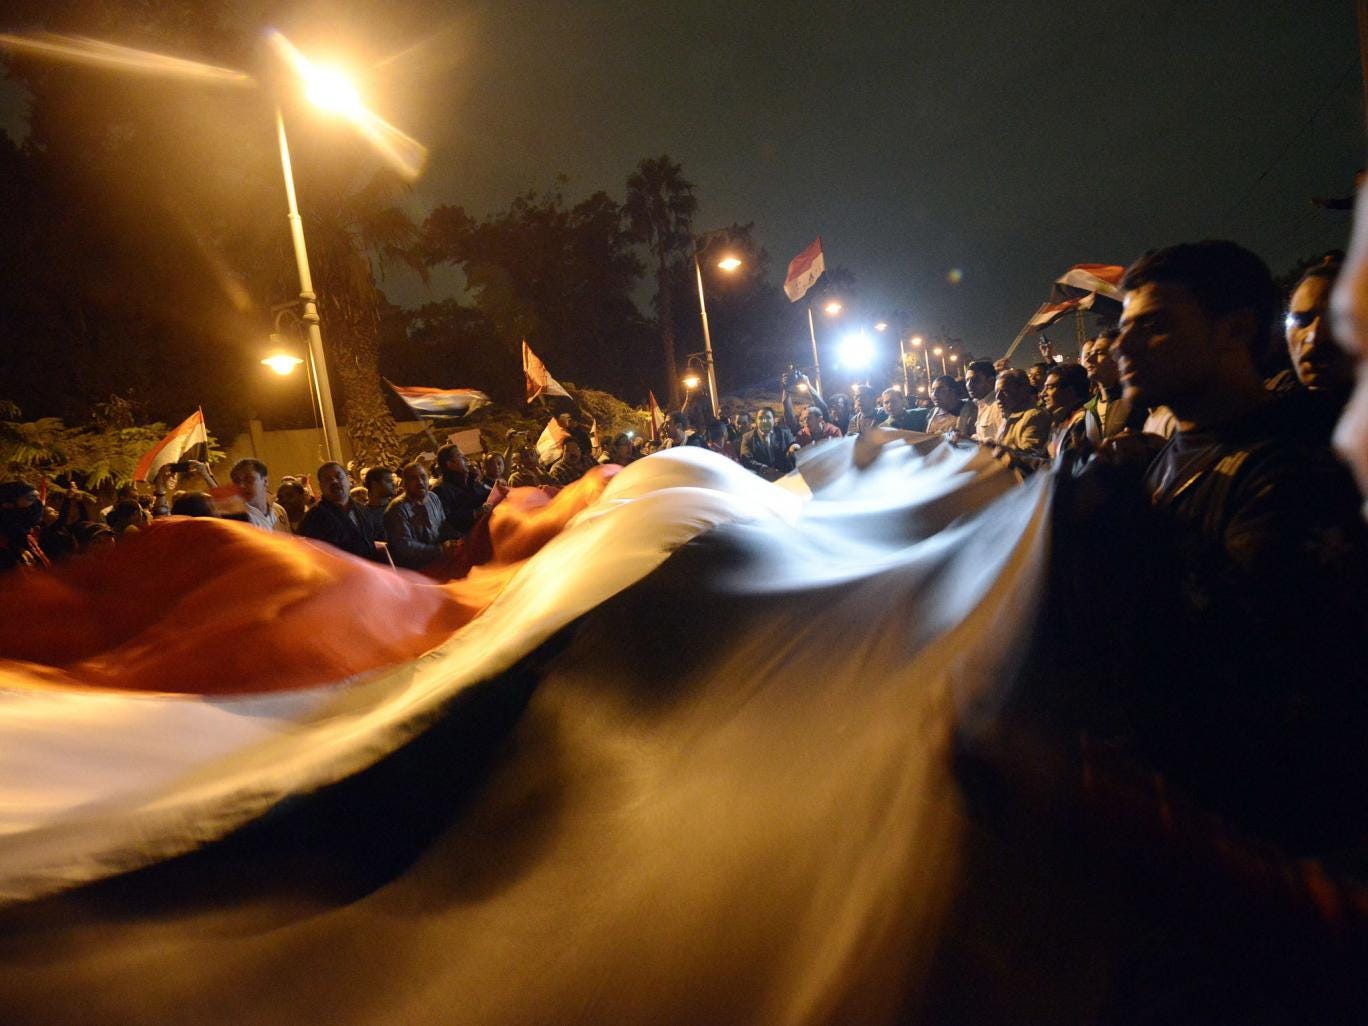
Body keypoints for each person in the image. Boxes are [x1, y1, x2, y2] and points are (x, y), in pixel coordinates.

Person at [1107, 239, 1368, 851]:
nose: (1123, 346)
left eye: (1156, 327)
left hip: (1273, 838)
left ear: (1234, 329)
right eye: (1124, 329)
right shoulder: (1167, 455)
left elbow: (1233, 655)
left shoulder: (1298, 469)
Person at [298, 462, 381, 562]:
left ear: (348, 480)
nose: (334, 481)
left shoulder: (363, 510)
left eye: (339, 476)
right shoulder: (313, 518)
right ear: (321, 485)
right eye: (328, 479)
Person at [384, 461, 453, 570]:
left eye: (423, 477)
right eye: (413, 478)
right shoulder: (397, 509)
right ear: (404, 483)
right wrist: (439, 549)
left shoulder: (433, 498)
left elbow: (443, 526)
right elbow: (405, 547)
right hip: (416, 571)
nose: (420, 482)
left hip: (440, 562)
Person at [432, 444, 492, 541]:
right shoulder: (441, 490)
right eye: (460, 456)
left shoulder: (470, 480)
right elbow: (446, 519)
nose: (466, 459)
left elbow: (484, 495)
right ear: (450, 464)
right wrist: (475, 513)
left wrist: (496, 489)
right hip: (468, 540)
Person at [991, 368, 1051, 457]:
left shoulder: (1035, 416)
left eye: (1004, 391)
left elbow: (1030, 455)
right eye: (996, 392)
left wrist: (997, 449)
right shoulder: (1009, 416)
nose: (998, 397)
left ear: (1023, 391)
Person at [1039, 362, 1090, 458]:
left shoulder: (1082, 421)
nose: (1042, 394)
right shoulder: (1059, 420)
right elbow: (1045, 459)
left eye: (1050, 388)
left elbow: (1066, 466)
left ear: (1070, 390)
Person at [230, 459, 291, 533]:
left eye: (249, 480)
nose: (242, 486)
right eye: (237, 482)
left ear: (265, 481)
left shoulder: (278, 510)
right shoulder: (236, 520)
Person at [0, 480, 49, 571]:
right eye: (30, 498)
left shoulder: (27, 513)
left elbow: (35, 516)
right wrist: (17, 549)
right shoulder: (6, 518)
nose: (34, 501)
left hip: (25, 543)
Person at [738, 407, 796, 480]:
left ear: (774, 420)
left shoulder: (784, 433)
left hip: (785, 477)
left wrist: (793, 449)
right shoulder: (748, 437)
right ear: (756, 421)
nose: (764, 421)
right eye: (761, 418)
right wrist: (764, 469)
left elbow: (793, 444)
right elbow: (746, 459)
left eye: (768, 417)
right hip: (762, 480)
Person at [964, 360, 1002, 441]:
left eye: (975, 380)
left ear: (991, 381)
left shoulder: (1000, 405)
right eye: (967, 380)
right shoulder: (978, 404)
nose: (969, 385)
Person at [358, 466, 397, 543]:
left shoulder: (398, 508)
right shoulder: (363, 514)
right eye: (389, 481)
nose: (394, 484)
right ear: (375, 484)